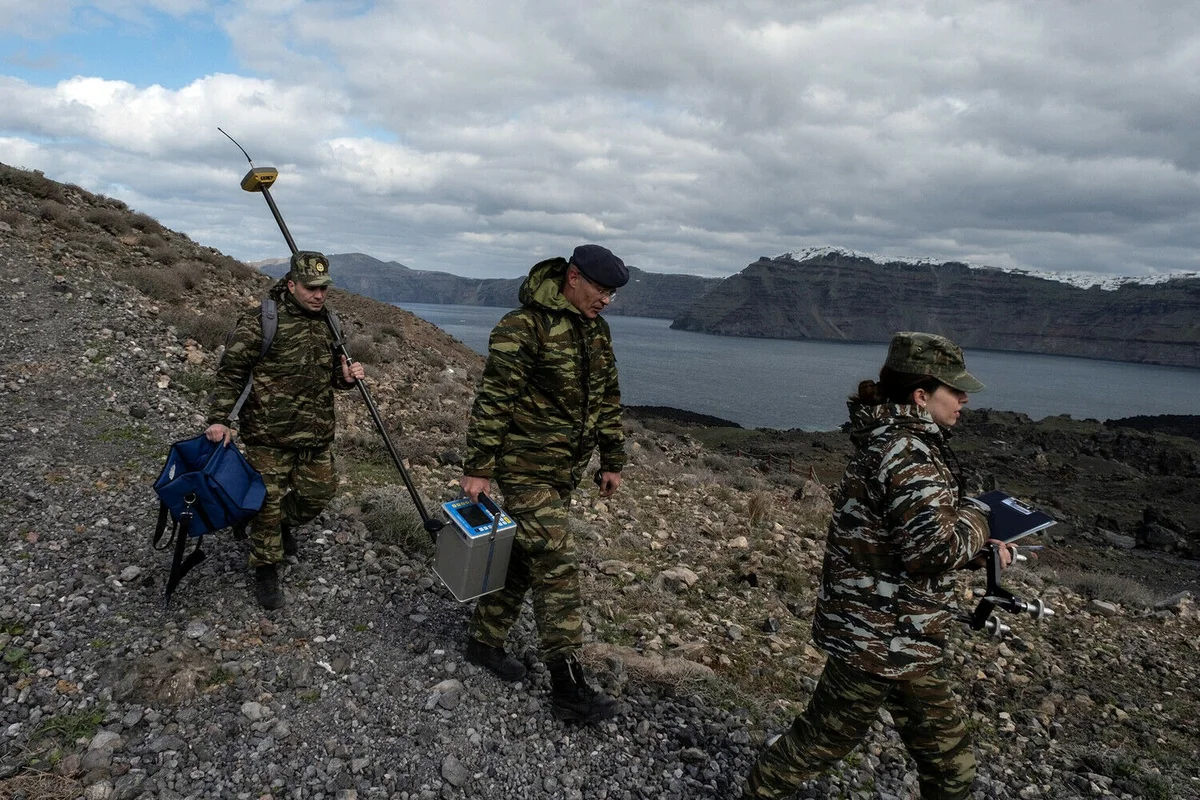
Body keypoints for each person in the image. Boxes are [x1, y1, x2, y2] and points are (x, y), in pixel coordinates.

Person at [743, 331, 1016, 799]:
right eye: (955, 390)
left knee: (950, 764)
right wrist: (977, 515)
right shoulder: (908, 454)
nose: (965, 399)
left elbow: (899, 542)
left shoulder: (893, 441)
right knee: (819, 744)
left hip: (897, 631)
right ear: (921, 395)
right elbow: (930, 551)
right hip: (880, 637)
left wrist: (976, 547)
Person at [458, 243, 629, 724]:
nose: (607, 301)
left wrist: (611, 458)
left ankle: (484, 641)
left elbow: (608, 397)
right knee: (556, 560)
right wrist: (479, 468)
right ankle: (568, 686)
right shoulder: (522, 327)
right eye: (601, 290)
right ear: (573, 277)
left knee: (523, 557)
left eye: (613, 294)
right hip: (522, 467)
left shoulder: (597, 331)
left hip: (563, 471)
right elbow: (494, 400)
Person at [205, 251, 364, 610]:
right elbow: (231, 373)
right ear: (291, 285)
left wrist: (346, 377)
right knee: (267, 504)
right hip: (268, 435)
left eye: (323, 288)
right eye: (311, 288)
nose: (319, 295)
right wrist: (220, 419)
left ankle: (277, 526)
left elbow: (333, 380)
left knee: (317, 494)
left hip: (315, 434)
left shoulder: (331, 324)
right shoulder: (260, 322)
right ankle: (265, 568)